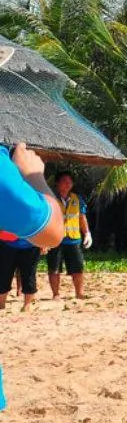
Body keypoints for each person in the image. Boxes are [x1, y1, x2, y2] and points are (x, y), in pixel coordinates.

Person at [0, 144, 64, 409]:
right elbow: (52, 231)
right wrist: (34, 175)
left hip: (22, 244)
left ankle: (28, 302)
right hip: (21, 238)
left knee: (26, 278)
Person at [46, 170, 90, 300]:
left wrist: (87, 233)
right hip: (55, 239)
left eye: (70, 182)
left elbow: (82, 217)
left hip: (73, 239)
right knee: (54, 268)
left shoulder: (77, 199)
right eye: (64, 181)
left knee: (78, 268)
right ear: (57, 183)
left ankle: (79, 293)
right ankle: (56, 294)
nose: (67, 184)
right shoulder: (50, 198)